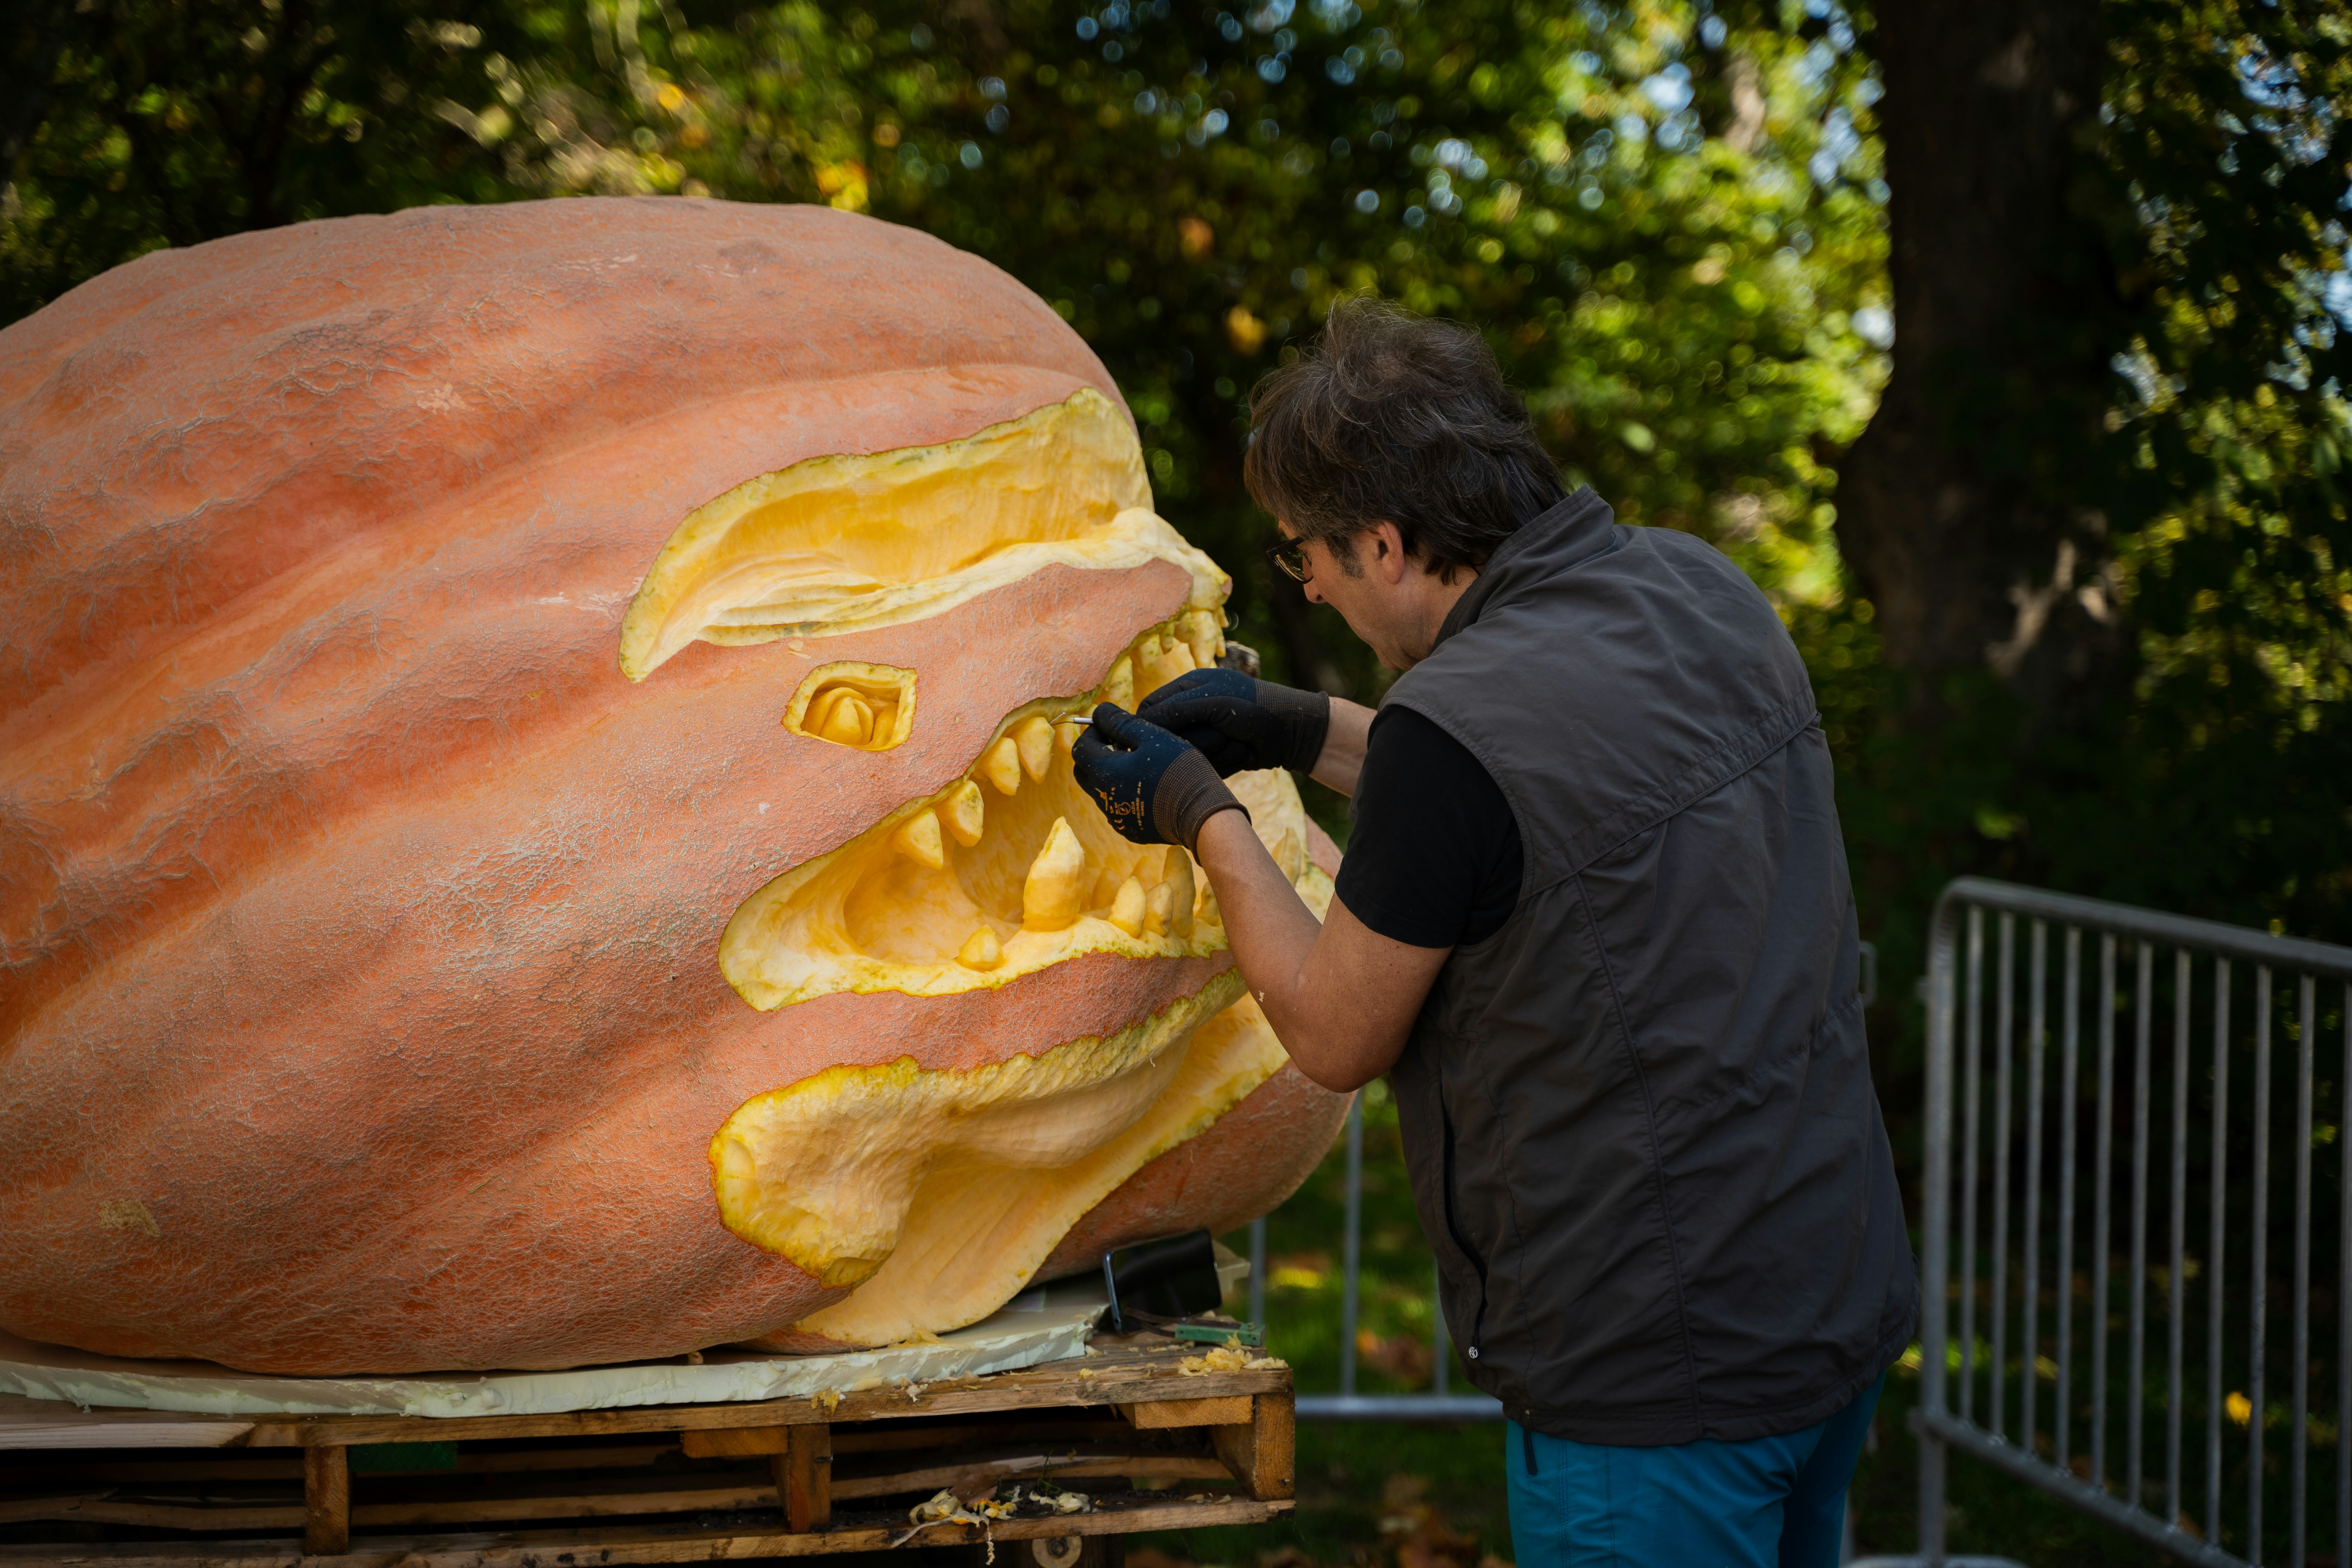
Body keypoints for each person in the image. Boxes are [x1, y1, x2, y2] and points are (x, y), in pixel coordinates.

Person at [1071, 299, 1916, 1568]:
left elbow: (1334, 1026)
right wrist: (1294, 725)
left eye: (1308, 556)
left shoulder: (1456, 730)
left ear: (1388, 544)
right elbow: (1521, 801)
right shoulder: (1699, 589)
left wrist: (1202, 818)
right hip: (1825, 1299)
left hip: (1649, 1384)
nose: (1310, 584)